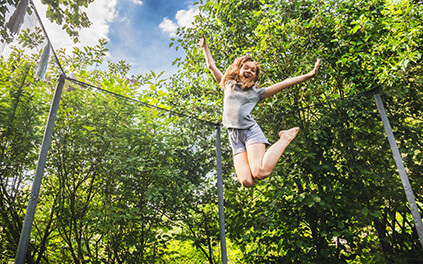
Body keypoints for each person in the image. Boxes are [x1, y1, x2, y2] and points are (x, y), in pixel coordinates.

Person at [198, 34, 320, 187]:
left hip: (250, 131)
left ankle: (285, 138)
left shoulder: (257, 92)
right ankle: (259, 157)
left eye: (253, 70)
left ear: (255, 76)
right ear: (239, 70)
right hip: (234, 137)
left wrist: (309, 75)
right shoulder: (227, 84)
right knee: (247, 182)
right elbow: (211, 66)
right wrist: (204, 47)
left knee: (260, 173)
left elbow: (285, 83)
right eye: (246, 68)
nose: (249, 71)